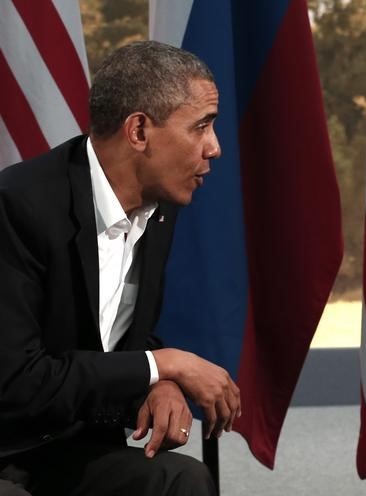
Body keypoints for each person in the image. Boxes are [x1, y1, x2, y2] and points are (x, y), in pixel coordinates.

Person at [0, 41, 240, 496]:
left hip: (67, 448)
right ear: (139, 131)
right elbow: (16, 383)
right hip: (7, 447)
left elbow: (112, 335)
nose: (215, 148)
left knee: (181, 480)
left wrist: (158, 382)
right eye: (202, 126)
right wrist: (162, 364)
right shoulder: (18, 207)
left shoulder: (159, 212)